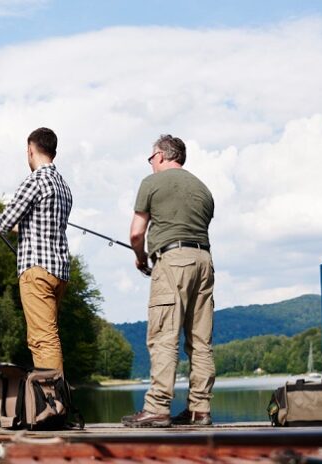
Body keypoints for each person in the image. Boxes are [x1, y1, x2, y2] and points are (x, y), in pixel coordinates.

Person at [121, 134, 215, 427]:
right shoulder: (203, 189)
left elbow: (136, 233)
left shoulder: (152, 183)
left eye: (151, 158)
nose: (151, 163)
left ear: (161, 156)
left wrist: (140, 257)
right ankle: (200, 409)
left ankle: (157, 407)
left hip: (172, 262)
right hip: (205, 262)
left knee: (164, 336)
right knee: (201, 341)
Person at [0, 127, 73, 372]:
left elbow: (0, 227)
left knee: (42, 340)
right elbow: (26, 224)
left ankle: (51, 401)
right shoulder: (63, 186)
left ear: (31, 150)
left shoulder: (34, 181)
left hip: (36, 272)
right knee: (50, 335)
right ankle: (54, 399)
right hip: (58, 272)